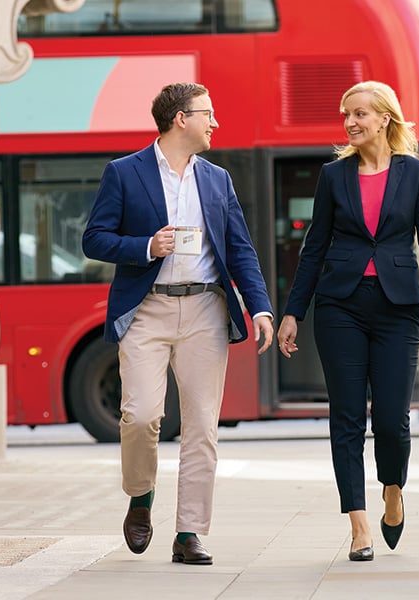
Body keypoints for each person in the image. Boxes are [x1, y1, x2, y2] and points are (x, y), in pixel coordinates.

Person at [82, 82, 275, 566]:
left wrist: (261, 308)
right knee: (143, 416)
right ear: (180, 120)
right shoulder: (124, 173)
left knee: (201, 428)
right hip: (147, 307)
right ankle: (141, 496)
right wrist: (147, 246)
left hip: (206, 310)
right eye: (207, 114)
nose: (216, 123)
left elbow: (240, 250)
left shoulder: (217, 179)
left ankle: (189, 532)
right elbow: (94, 239)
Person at [276, 81, 419, 562]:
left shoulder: (416, 173)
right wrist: (293, 310)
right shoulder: (334, 176)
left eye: (360, 114)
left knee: (394, 421)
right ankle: (357, 525)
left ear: (384, 118)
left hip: (398, 307)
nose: (351, 123)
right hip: (341, 306)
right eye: (346, 115)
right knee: (347, 417)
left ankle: (392, 490)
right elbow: (314, 248)